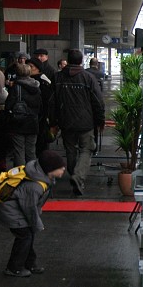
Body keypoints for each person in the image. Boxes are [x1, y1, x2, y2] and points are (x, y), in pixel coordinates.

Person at [0, 149, 67, 277]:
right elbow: (29, 208)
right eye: (60, 168)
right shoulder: (35, 186)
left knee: (28, 236)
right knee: (25, 237)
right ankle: (14, 268)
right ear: (50, 170)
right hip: (13, 214)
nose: (63, 170)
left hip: (17, 211)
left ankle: (29, 264)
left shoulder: (40, 177)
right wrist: (37, 224)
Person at [49, 49, 105, 196]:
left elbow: (52, 102)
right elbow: (98, 102)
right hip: (86, 121)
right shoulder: (88, 78)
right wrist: (100, 120)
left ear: (67, 60)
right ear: (81, 61)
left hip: (65, 121)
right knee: (87, 149)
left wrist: (53, 122)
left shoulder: (57, 77)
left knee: (70, 150)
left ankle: (74, 173)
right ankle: (78, 176)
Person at [5, 62, 43, 167]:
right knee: (31, 150)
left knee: (19, 150)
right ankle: (32, 174)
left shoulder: (16, 87)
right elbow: (40, 106)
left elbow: (9, 104)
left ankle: (20, 175)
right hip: (33, 121)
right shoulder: (36, 86)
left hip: (18, 121)